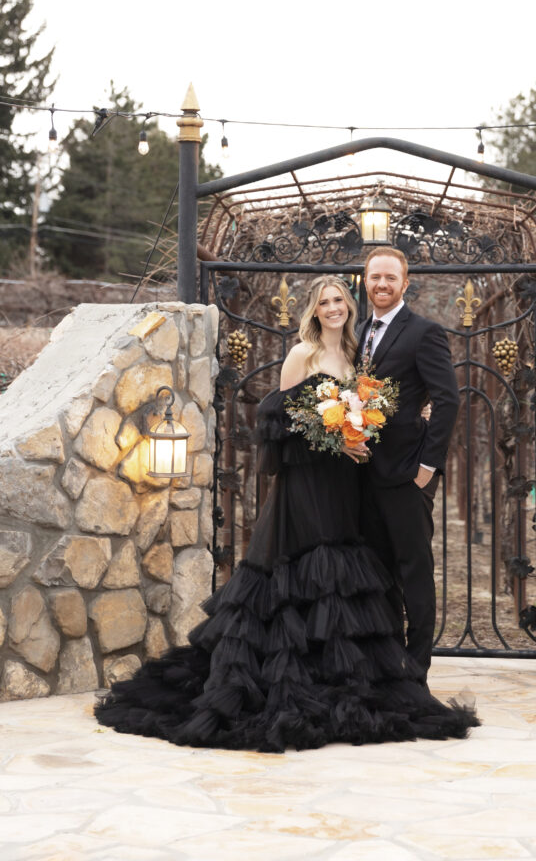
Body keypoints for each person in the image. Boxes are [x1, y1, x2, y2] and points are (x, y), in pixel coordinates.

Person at [94, 275, 477, 752]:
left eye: (339, 300)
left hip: (348, 482)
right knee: (302, 569)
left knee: (343, 575)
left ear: (349, 308)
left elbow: (385, 407)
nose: (334, 307)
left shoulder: (357, 357)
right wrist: (334, 434)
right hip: (308, 482)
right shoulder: (303, 355)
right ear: (313, 311)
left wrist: (370, 432)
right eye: (324, 302)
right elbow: (276, 422)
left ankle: (336, 671)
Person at [356, 249, 460, 682]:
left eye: (390, 278)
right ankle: (385, 659)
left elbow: (448, 399)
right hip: (362, 475)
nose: (382, 284)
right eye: (375, 276)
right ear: (365, 281)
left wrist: (427, 469)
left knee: (414, 572)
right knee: (377, 570)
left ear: (405, 282)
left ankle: (415, 671)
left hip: (406, 475)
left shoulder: (424, 332)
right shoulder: (359, 332)